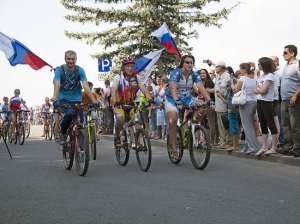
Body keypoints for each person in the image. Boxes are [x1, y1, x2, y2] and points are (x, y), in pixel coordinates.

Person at [165, 55, 215, 160]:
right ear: (182, 63)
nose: (189, 64)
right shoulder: (176, 73)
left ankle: (192, 123)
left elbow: (201, 87)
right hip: (172, 99)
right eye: (187, 62)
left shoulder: (194, 74)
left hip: (187, 98)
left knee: (202, 106)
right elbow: (173, 88)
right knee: (172, 120)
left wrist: (209, 100)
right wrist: (177, 101)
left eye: (191, 63)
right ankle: (174, 149)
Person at [51, 50, 100, 145]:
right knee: (69, 114)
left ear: (76, 59)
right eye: (68, 59)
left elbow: (86, 87)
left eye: (73, 59)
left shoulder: (80, 70)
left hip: (77, 100)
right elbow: (56, 85)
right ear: (65, 59)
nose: (71, 61)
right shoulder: (59, 70)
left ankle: (81, 146)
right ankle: (63, 132)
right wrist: (55, 99)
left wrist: (94, 101)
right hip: (64, 99)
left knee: (81, 122)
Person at [111, 56, 153, 147]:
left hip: (130, 103)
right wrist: (114, 101)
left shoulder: (137, 77)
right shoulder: (118, 77)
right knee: (121, 119)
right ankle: (117, 137)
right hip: (119, 103)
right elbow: (113, 90)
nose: (130, 68)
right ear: (123, 67)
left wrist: (150, 99)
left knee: (138, 121)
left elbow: (144, 89)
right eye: (128, 66)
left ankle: (139, 142)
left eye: (131, 66)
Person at [276, 45, 300, 157]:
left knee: (295, 125)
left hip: (294, 99)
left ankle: (298, 148)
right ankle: (288, 146)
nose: (283, 55)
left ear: (292, 53)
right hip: (284, 99)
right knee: (285, 125)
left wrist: (295, 95)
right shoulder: (286, 65)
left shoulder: (297, 65)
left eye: (285, 52)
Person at [232, 63, 259, 154]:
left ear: (244, 69)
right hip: (254, 102)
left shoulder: (243, 78)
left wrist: (232, 83)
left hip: (245, 102)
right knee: (250, 124)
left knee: (247, 126)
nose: (239, 71)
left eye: (240, 69)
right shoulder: (254, 78)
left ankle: (253, 147)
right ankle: (248, 147)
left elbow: (235, 90)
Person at [254, 57, 278, 155]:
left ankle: (273, 147)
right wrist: (260, 90)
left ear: (264, 64)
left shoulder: (270, 76)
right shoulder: (262, 76)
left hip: (267, 102)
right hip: (260, 101)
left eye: (259, 64)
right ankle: (264, 147)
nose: (258, 65)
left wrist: (260, 90)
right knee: (262, 124)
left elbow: (263, 91)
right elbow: (255, 89)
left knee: (271, 124)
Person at [209, 60, 233, 149]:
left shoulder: (226, 77)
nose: (215, 68)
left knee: (225, 124)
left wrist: (223, 96)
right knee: (220, 125)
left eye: (216, 67)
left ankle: (228, 142)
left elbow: (229, 89)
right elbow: (215, 89)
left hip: (224, 104)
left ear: (220, 68)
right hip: (218, 104)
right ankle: (223, 142)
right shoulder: (218, 77)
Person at [198, 69, 219, 147]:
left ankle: (212, 142)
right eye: (201, 73)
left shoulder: (207, 82)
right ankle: (215, 141)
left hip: (210, 105)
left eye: (204, 73)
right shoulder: (204, 82)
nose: (202, 74)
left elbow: (208, 95)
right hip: (212, 104)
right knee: (214, 124)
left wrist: (207, 104)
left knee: (212, 124)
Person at [270, 56, 284, 148]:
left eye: (274, 61)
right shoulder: (271, 72)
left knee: (280, 120)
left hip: (280, 99)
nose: (273, 63)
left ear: (277, 62)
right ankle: (277, 141)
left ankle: (281, 141)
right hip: (272, 99)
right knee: (275, 121)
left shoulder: (281, 71)